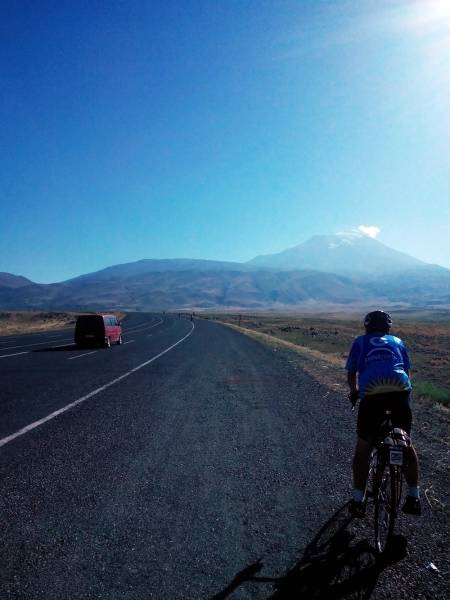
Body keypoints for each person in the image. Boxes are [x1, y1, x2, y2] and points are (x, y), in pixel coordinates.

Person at [345, 310, 421, 517]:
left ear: (366, 326)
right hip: (400, 391)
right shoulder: (398, 341)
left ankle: (358, 500)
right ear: (388, 327)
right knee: (406, 442)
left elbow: (352, 372)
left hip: (372, 395)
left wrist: (354, 392)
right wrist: (404, 393)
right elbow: (406, 370)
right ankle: (414, 496)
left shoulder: (360, 342)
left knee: (363, 448)